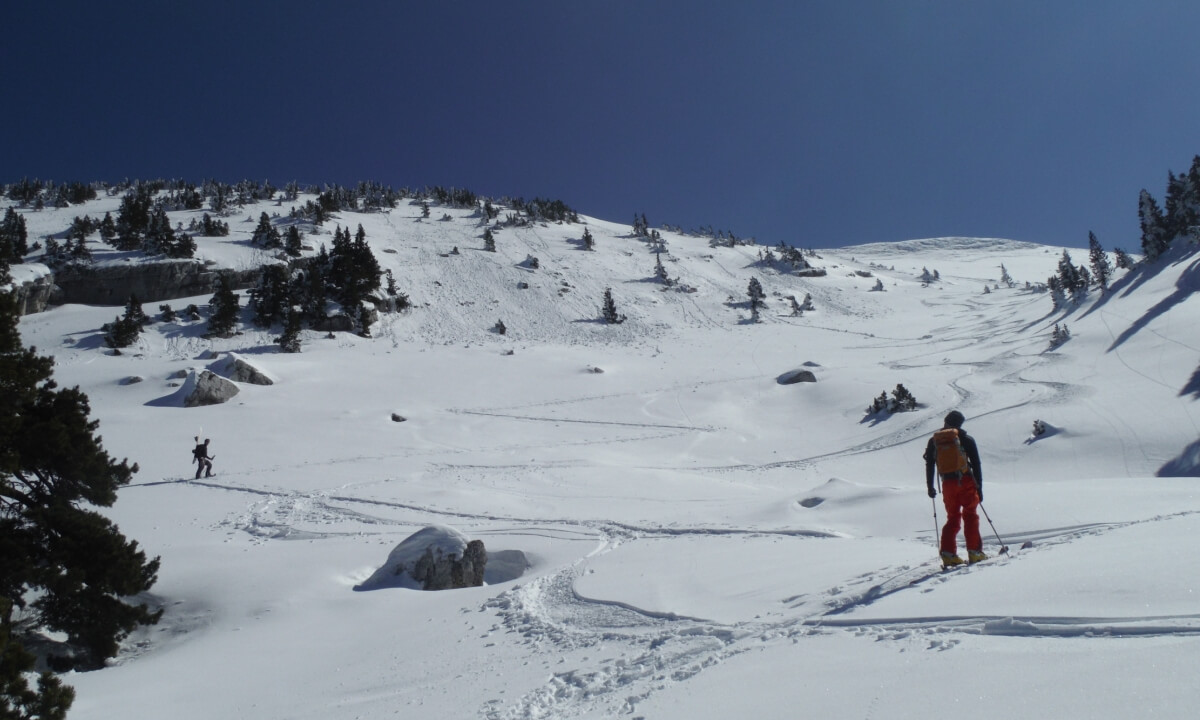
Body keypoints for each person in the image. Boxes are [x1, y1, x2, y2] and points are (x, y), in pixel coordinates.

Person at [924, 411, 985, 566]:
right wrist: (979, 487)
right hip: (965, 481)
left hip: (947, 484)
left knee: (952, 518)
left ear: (945, 421)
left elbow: (930, 464)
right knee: (970, 515)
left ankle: (948, 554)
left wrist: (930, 487)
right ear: (960, 424)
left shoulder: (934, 441)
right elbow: (976, 464)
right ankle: (975, 552)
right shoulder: (966, 439)